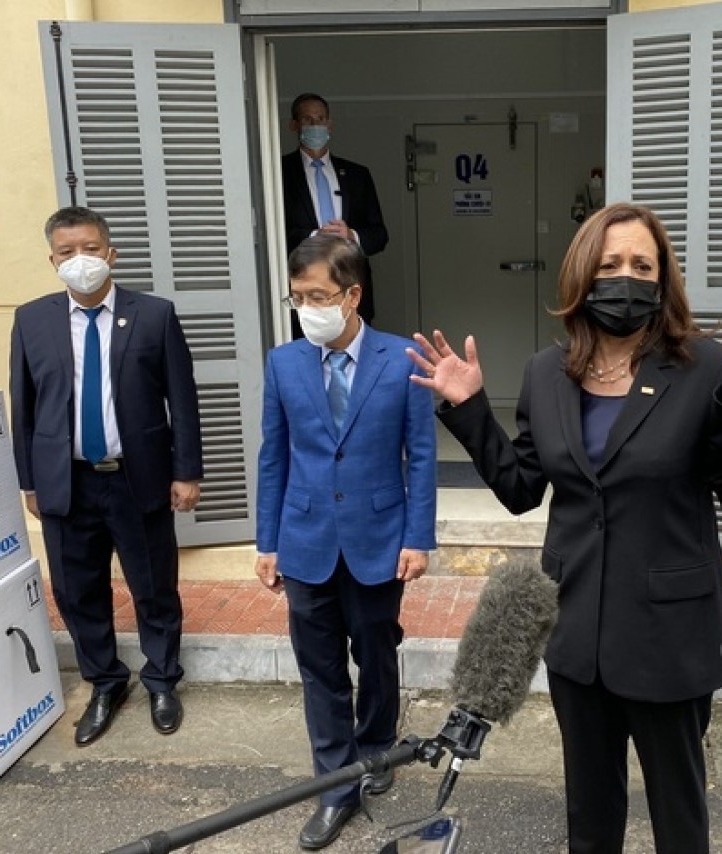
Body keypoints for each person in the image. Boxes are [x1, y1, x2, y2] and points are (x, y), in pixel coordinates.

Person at [409, 202, 722, 854]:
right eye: (609, 264)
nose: (625, 277)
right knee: (589, 812)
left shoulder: (702, 369)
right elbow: (522, 489)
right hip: (577, 632)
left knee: (678, 816)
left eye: (642, 264)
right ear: (582, 275)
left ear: (663, 279)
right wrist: (466, 409)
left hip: (668, 636)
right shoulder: (545, 374)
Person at [254, 234, 436, 850]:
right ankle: (336, 789)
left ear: (353, 295)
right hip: (304, 540)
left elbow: (421, 458)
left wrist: (418, 537)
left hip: (379, 538)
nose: (308, 308)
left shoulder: (401, 357)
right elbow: (273, 457)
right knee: (320, 670)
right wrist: (267, 541)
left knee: (376, 653)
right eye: (298, 297)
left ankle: (378, 745)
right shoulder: (283, 363)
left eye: (320, 296)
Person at [10, 206, 202, 746]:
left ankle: (162, 679)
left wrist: (187, 471)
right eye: (67, 252)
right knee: (77, 592)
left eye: (90, 249)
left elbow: (182, 401)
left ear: (110, 253)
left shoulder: (155, 315)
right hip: (65, 482)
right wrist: (29, 481)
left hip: (136, 478)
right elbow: (23, 408)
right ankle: (105, 683)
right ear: (53, 260)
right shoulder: (31, 320)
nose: (81, 261)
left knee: (154, 587)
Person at [282, 92, 388, 327]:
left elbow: (380, 235)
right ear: (294, 125)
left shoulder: (357, 175)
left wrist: (351, 236)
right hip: (304, 282)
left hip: (349, 281)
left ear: (329, 124)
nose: (315, 125)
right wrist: (314, 237)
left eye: (320, 119)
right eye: (308, 120)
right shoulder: (279, 173)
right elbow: (273, 235)